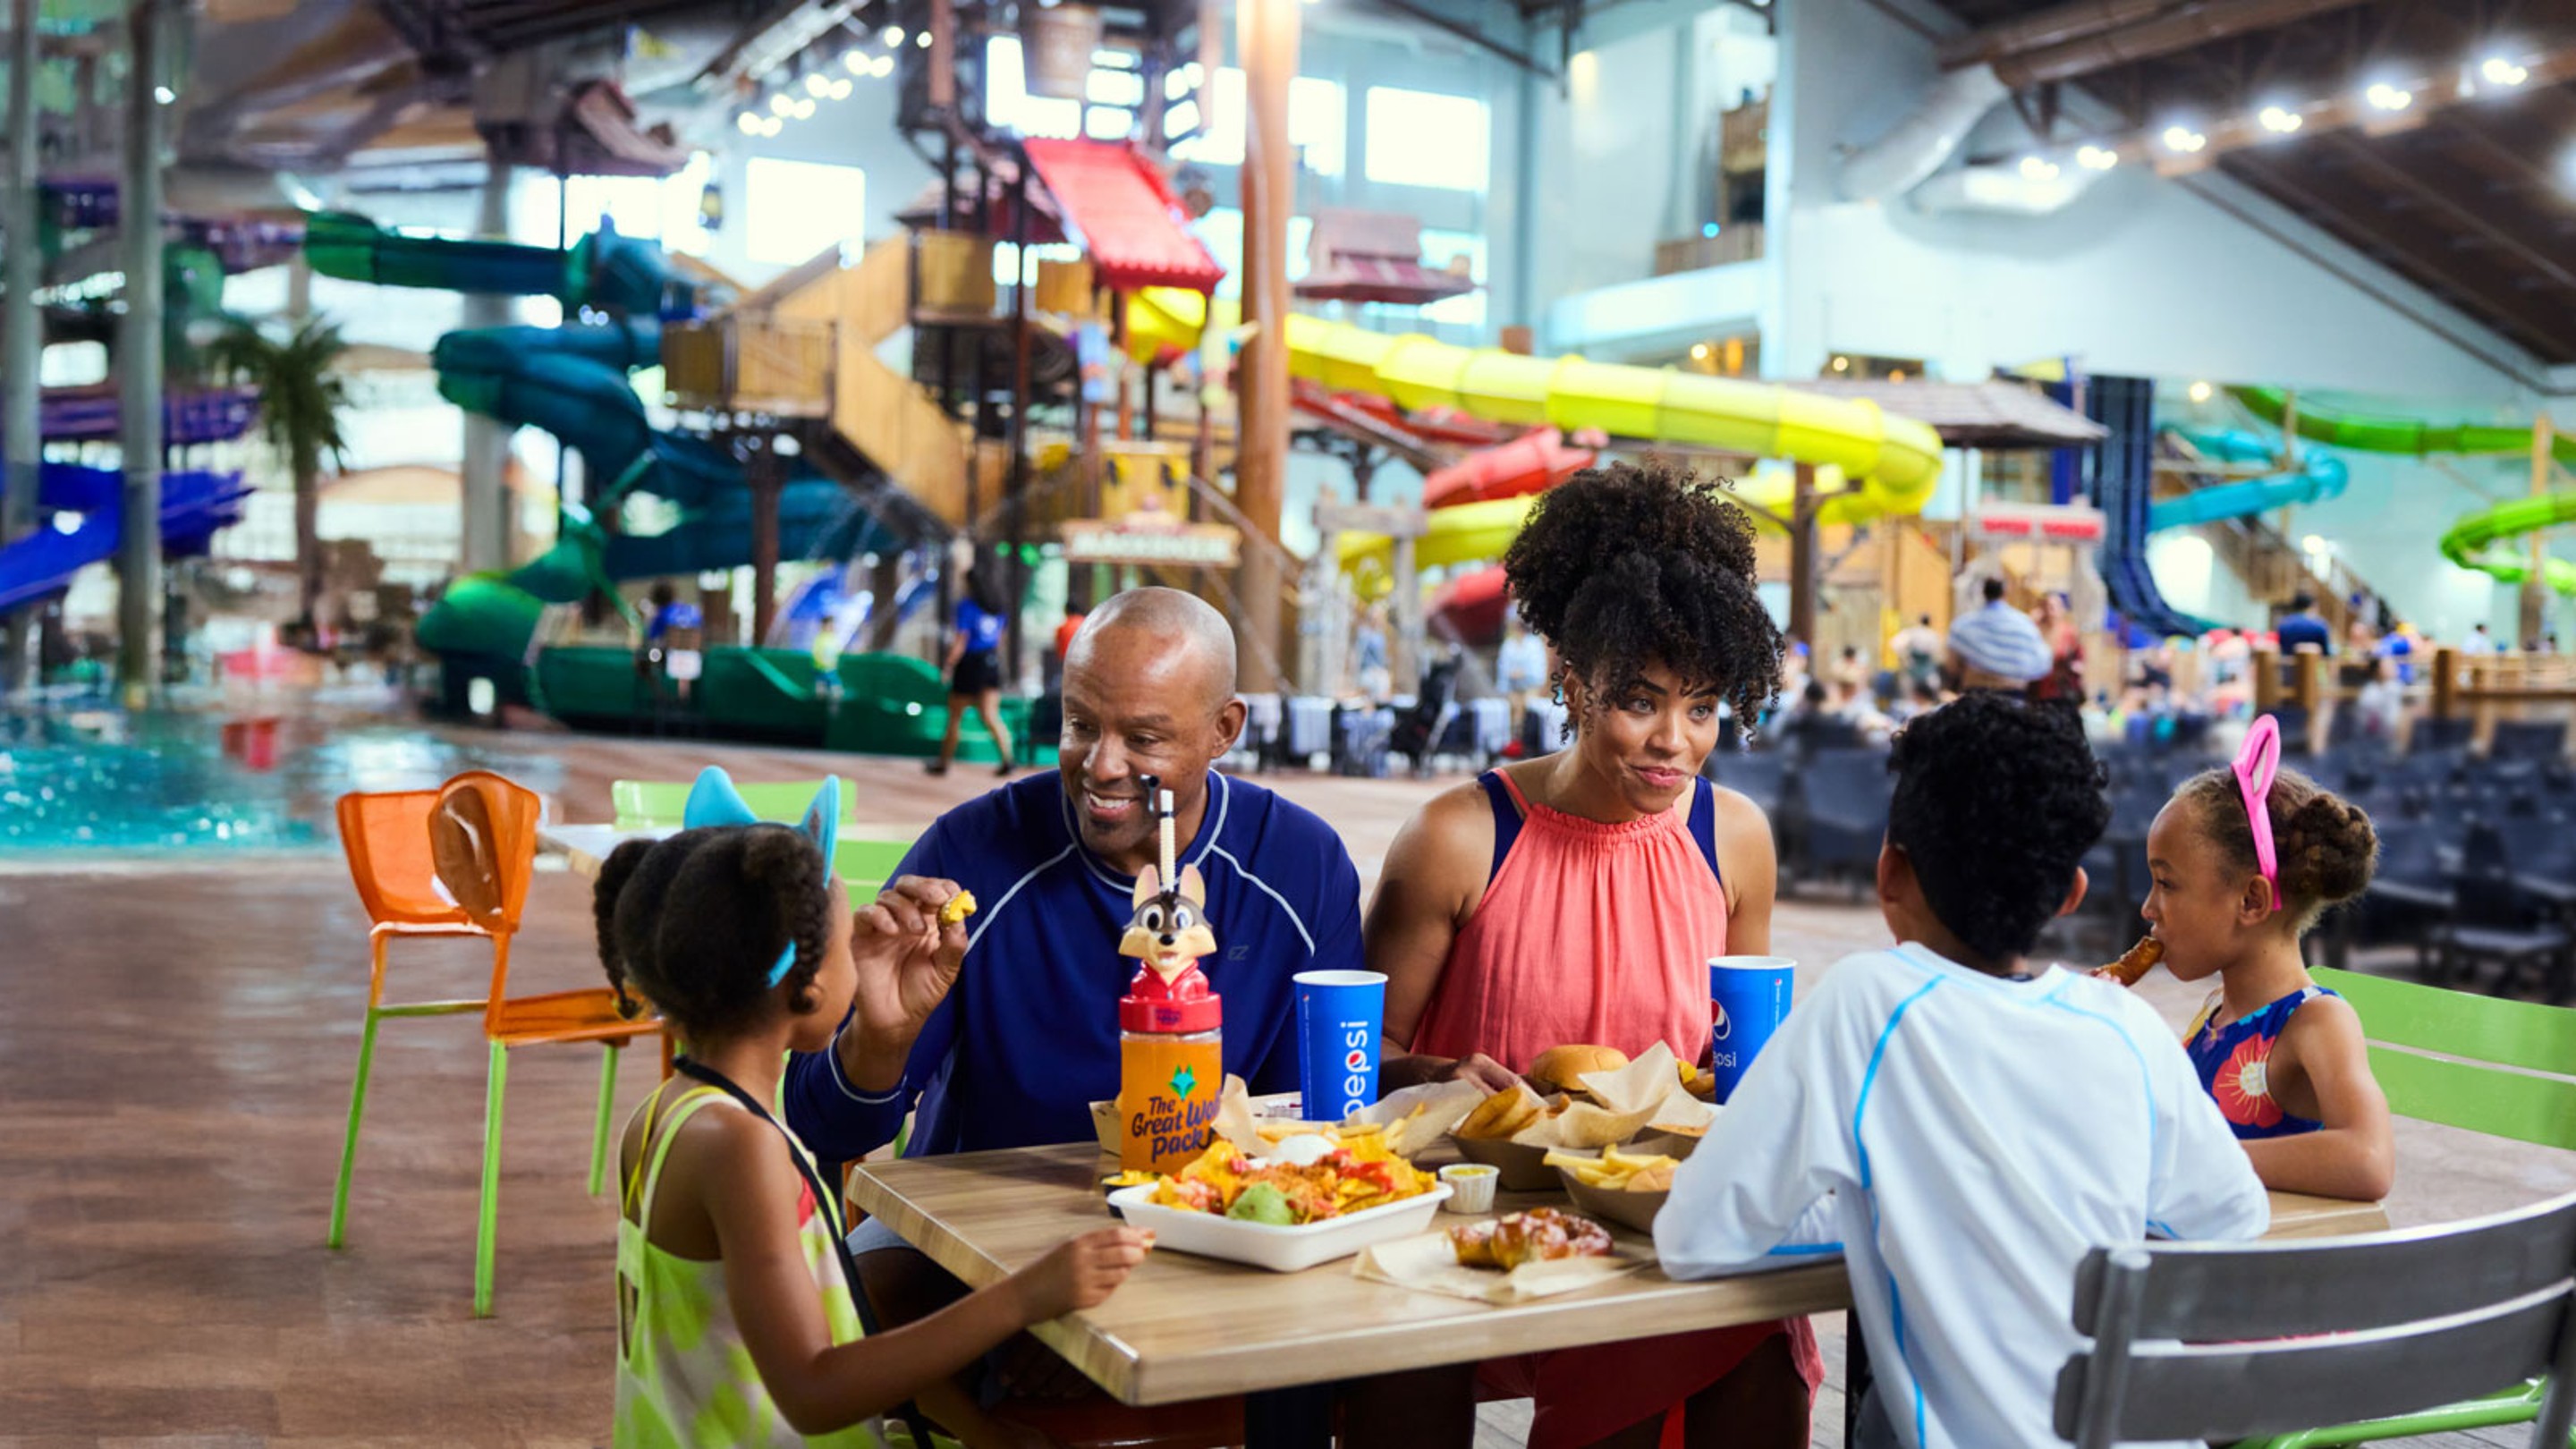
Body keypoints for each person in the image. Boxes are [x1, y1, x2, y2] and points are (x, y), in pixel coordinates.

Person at [784, 589, 1364, 1411]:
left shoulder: (1300, 869)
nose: (1100, 765)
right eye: (1080, 724)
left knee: (1322, 1367)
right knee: (837, 1318)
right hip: (965, 1249)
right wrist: (880, 1036)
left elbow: (1294, 1137)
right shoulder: (973, 855)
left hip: (1214, 1244)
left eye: (1145, 737)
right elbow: (823, 1127)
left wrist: (1127, 1294)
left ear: (1224, 731)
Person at [1654, 692, 2270, 1449]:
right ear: (2070, 895)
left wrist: (1893, 1209)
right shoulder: (2129, 1029)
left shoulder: (1866, 1003)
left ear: (1889, 874)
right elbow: (2235, 1218)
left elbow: (1693, 1236)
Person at [1368, 462, 1818, 1449]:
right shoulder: (1460, 835)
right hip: (1464, 1223)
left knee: (1761, 1357)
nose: (1673, 741)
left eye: (1701, 707)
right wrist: (1441, 1076)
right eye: (1640, 700)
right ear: (1572, 682)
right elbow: (1365, 1062)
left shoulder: (1732, 838)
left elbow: (1735, 1055)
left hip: (1654, 1226)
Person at [591, 816, 1150, 1447]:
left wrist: (982, 1430)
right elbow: (813, 1388)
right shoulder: (740, 1148)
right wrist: (1024, 1297)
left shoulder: (667, 1113)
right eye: (844, 939)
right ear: (806, 980)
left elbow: (837, 1326)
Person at [2130, 717, 2395, 1200]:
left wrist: (2197, 1159)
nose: (2148, 909)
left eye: (2166, 883)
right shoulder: (2217, 1010)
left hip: (2271, 1266)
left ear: (2251, 901)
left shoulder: (2316, 1021)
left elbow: (2369, 1161)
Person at [929, 568, 1016, 778]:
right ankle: (1008, 759)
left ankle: (943, 762)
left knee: (955, 716)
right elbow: (999, 640)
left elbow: (961, 640)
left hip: (970, 664)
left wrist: (949, 665)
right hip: (991, 663)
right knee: (990, 715)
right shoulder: (998, 608)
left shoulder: (966, 607)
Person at [1945, 577, 2051, 691]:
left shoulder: (1964, 624)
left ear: (1983, 593)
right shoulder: (2024, 624)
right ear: (2006, 593)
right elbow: (2042, 663)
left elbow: (1952, 666)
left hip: (1975, 696)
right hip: (2013, 694)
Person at [2028, 591, 2085, 703]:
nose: (2051, 611)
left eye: (2054, 607)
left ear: (2062, 609)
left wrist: (2075, 667)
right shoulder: (2035, 629)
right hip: (2037, 688)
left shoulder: (2069, 632)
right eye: (2047, 606)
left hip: (2059, 690)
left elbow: (2079, 657)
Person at [1495, 613, 1549, 726]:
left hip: (1531, 686)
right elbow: (1503, 667)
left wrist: (1524, 674)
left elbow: (1537, 668)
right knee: (1513, 711)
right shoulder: (1508, 645)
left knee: (1528, 710)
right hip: (1512, 687)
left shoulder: (1534, 644)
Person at [1888, 613, 1943, 687]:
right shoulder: (1933, 635)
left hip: (1920, 667)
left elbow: (1895, 643)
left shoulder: (1913, 632)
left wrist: (1904, 657)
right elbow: (1937, 654)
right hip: (1917, 667)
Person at [2276, 591, 2334, 657]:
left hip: (2287, 666)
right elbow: (2326, 653)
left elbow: (2281, 649)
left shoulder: (2283, 624)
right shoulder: (2320, 625)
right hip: (2312, 665)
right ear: (2312, 605)